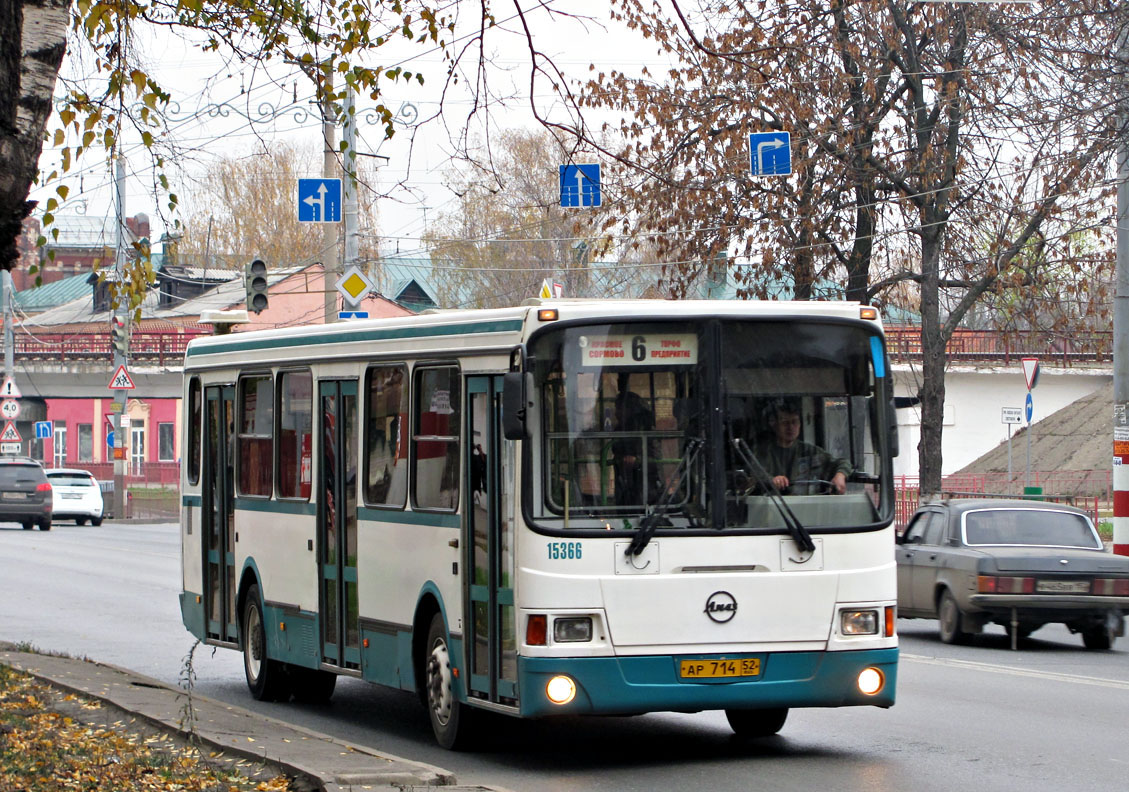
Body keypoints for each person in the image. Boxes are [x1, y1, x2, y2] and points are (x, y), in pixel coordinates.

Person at [754, 399, 850, 495]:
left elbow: (842, 463)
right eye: (785, 423)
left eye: (794, 422)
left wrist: (840, 476)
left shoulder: (810, 451)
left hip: (804, 506)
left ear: (800, 424)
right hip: (773, 507)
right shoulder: (763, 452)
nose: (790, 427)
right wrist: (772, 480)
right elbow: (755, 474)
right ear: (774, 425)